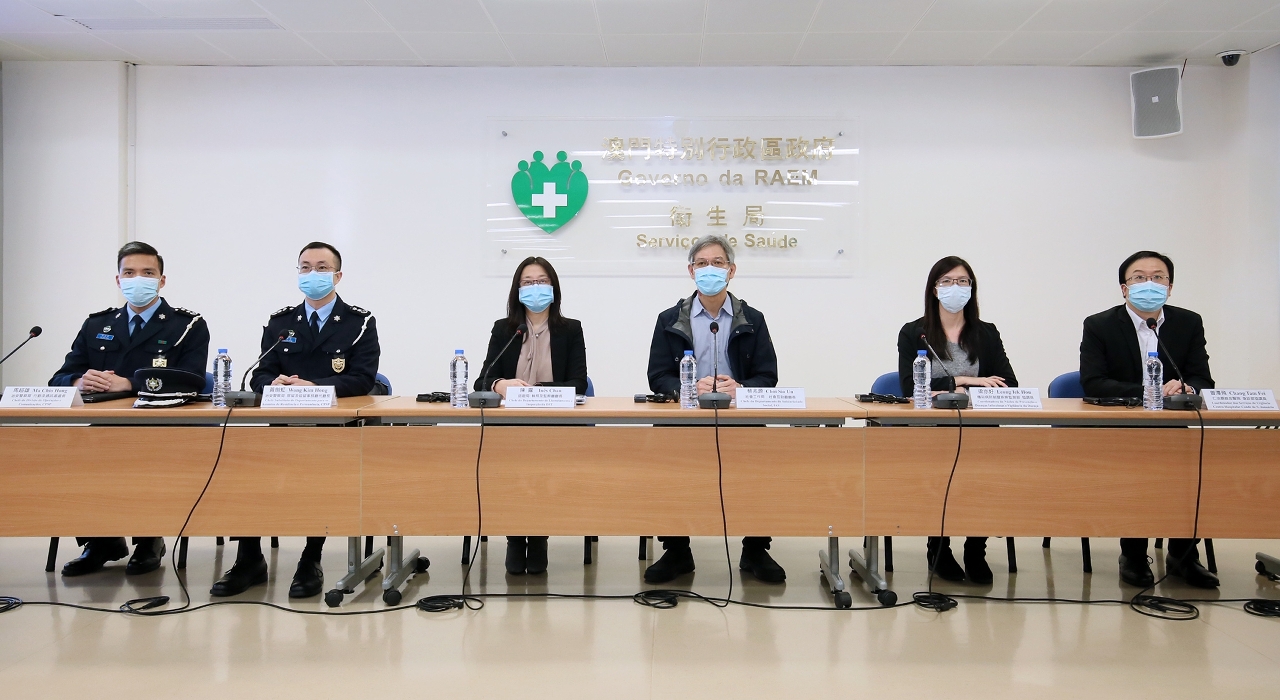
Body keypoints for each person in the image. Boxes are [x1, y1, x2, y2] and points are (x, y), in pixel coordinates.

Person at [210, 241, 380, 598]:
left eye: (321, 267)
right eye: (305, 267)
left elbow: (364, 379)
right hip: (282, 427)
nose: (312, 273)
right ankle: (249, 559)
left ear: (338, 275)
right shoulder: (281, 322)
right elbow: (260, 373)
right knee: (246, 469)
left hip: (333, 430)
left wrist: (314, 387)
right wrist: (270, 383)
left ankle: (310, 558)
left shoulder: (359, 322)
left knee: (317, 476)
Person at [50, 241, 210, 577]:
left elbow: (193, 380)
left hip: (163, 426)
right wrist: (78, 381)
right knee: (73, 454)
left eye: (147, 273)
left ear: (162, 280)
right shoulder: (97, 325)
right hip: (105, 427)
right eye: (129, 273)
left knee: (144, 457)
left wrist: (131, 383)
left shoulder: (188, 325)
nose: (138, 279)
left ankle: (150, 539)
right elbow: (59, 378)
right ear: (118, 279)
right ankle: (102, 540)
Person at [644, 234, 783, 585]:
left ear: (731, 271)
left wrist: (742, 388)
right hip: (685, 417)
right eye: (702, 263)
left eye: (718, 263)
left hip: (739, 417)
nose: (710, 269)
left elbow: (768, 375)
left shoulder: (752, 318)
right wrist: (688, 388)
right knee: (667, 463)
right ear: (691, 271)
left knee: (760, 463)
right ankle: (677, 550)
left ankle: (755, 549)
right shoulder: (669, 318)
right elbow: (657, 376)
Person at [1080, 250, 1217, 589]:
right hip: (1122, 425)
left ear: (1170, 286)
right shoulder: (1099, 325)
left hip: (1175, 426)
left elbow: (1203, 379)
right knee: (1135, 474)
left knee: (1191, 471)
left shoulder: (1188, 322)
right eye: (1139, 278)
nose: (1149, 284)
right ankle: (1133, 555)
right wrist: (1149, 391)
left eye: (1158, 277)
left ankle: (1183, 556)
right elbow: (1093, 382)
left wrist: (1186, 386)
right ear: (1124, 288)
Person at [896, 256, 1017, 585]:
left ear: (972, 288)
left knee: (983, 480)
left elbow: (1008, 383)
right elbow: (910, 387)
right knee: (938, 479)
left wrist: (957, 387)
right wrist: (964, 380)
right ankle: (938, 549)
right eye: (947, 281)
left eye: (963, 281)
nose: (955, 287)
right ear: (934, 289)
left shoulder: (986, 333)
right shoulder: (915, 333)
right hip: (930, 432)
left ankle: (976, 550)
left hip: (979, 429)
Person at [475, 257, 588, 575]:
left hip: (555, 425)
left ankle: (538, 537)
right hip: (509, 426)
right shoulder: (505, 329)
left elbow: (579, 382)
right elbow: (483, 380)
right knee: (511, 473)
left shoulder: (570, 329)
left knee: (543, 473)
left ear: (553, 288)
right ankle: (514, 537)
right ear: (517, 289)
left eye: (541, 281)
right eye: (527, 282)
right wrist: (500, 384)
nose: (535, 288)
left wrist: (536, 391)